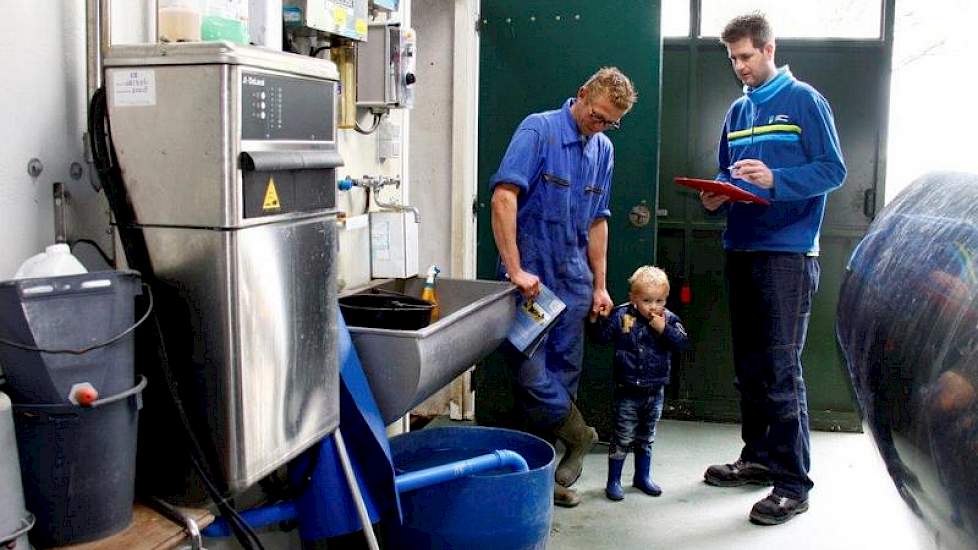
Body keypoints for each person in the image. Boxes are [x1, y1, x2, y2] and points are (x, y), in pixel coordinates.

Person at [699, 12, 846, 525]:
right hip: (742, 246)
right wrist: (716, 194)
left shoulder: (805, 100)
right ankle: (758, 458)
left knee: (781, 371)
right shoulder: (738, 111)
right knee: (751, 369)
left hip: (787, 254)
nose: (738, 67)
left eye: (745, 56)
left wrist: (775, 178)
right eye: (732, 58)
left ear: (768, 49)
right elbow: (724, 168)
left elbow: (833, 169)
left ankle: (792, 483)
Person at [490, 66, 638, 507]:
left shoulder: (604, 150)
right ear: (581, 95)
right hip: (531, 279)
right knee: (528, 371)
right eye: (598, 116)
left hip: (574, 281)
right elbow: (503, 197)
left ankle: (546, 478)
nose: (602, 127)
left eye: (612, 122)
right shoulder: (539, 130)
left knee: (564, 373)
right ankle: (579, 435)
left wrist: (601, 286)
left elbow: (598, 220)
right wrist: (515, 269)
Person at [591, 266, 688, 501]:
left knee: (647, 437)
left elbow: (682, 344)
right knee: (622, 437)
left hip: (655, 391)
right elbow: (601, 338)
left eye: (659, 300)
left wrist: (664, 330)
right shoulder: (622, 315)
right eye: (646, 300)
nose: (653, 306)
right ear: (633, 298)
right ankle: (613, 480)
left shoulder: (669, 319)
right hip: (628, 390)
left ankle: (642, 477)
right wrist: (595, 321)